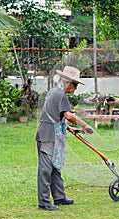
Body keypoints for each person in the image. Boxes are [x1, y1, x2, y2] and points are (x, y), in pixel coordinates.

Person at [35, 66, 93, 211]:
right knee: (45, 169)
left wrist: (69, 128)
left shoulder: (53, 92)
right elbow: (68, 115)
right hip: (48, 136)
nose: (75, 89)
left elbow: (54, 115)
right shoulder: (60, 95)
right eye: (75, 85)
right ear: (68, 82)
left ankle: (59, 197)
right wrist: (84, 125)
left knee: (55, 166)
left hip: (47, 133)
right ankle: (44, 202)